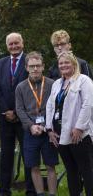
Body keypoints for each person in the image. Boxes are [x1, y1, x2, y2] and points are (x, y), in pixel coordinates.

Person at [0, 32, 35, 196]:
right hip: (5, 118)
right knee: (6, 154)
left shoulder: (30, 62)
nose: (14, 46)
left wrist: (18, 112)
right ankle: (4, 189)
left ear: (22, 43)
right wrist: (6, 111)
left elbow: (32, 89)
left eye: (16, 43)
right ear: (7, 46)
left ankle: (31, 189)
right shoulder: (0, 63)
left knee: (28, 154)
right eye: (10, 44)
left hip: (25, 118)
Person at [45, 51, 93, 196]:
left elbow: (88, 105)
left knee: (86, 170)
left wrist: (79, 127)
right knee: (71, 170)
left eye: (67, 62)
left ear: (74, 64)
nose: (63, 65)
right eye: (61, 63)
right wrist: (49, 129)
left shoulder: (83, 80)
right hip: (60, 135)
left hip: (79, 135)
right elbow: (50, 106)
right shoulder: (57, 84)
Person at [15, 52, 59, 196]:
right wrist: (31, 126)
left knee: (50, 165)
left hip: (49, 132)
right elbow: (20, 109)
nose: (35, 69)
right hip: (30, 132)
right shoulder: (20, 87)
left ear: (43, 67)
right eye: (32, 66)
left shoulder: (53, 84)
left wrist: (47, 125)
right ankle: (39, 193)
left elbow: (56, 106)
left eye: (38, 66)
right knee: (33, 166)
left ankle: (52, 194)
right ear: (26, 68)